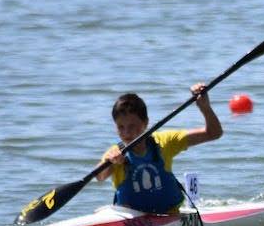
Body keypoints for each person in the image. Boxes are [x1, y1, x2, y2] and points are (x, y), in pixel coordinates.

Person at [95, 84, 222, 214]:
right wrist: (109, 163)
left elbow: (214, 133)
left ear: (145, 123)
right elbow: (99, 176)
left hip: (168, 215)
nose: (126, 133)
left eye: (132, 126)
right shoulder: (115, 153)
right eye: (121, 127)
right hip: (132, 219)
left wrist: (205, 107)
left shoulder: (165, 142)